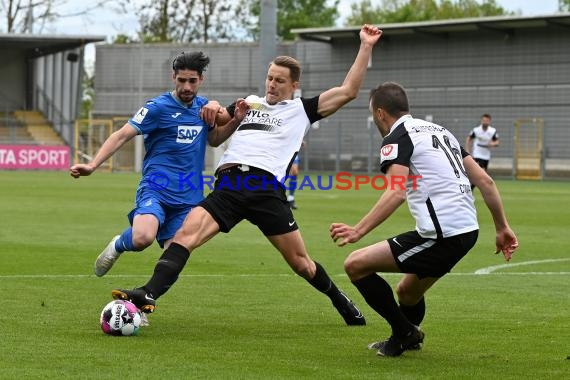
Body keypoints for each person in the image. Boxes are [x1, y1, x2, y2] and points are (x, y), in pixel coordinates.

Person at [110, 24, 383, 326]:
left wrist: (365, 45)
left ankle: (339, 299)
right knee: (185, 235)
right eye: (269, 78)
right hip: (229, 186)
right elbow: (215, 117)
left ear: (294, 85)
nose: (272, 85)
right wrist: (213, 105)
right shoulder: (250, 104)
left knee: (301, 264)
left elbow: (348, 91)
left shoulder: (301, 110)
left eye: (280, 81)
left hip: (265, 189)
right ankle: (148, 294)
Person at [330, 82, 518, 356]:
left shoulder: (397, 136)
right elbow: (486, 181)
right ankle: (408, 337)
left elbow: (395, 193)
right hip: (466, 230)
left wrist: (358, 230)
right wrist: (502, 227)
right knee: (407, 292)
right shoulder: (442, 132)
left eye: (374, 115)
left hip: (443, 235)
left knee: (356, 265)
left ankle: (404, 332)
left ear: (380, 113)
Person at [70, 51, 236, 277]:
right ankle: (118, 244)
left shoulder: (204, 108)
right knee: (142, 238)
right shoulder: (157, 108)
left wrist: (236, 120)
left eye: (192, 81)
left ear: (201, 80)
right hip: (156, 187)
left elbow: (214, 140)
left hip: (189, 195)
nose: (187, 86)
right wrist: (93, 165)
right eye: (182, 80)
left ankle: (142, 303)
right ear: (173, 77)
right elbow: (121, 135)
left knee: (173, 260)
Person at [466, 114, 499, 188]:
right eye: (484, 120)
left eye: (487, 120)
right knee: (481, 173)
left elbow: (497, 142)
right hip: (477, 154)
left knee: (479, 175)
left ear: (489, 121)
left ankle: (469, 189)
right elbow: (469, 139)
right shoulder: (476, 130)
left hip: (486, 156)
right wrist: (468, 150)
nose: (485, 122)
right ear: (481, 121)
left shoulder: (492, 131)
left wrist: (492, 144)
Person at [286, 141, 304, 210]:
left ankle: (291, 198)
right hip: (281, 150)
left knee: (294, 172)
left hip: (292, 150)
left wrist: (300, 141)